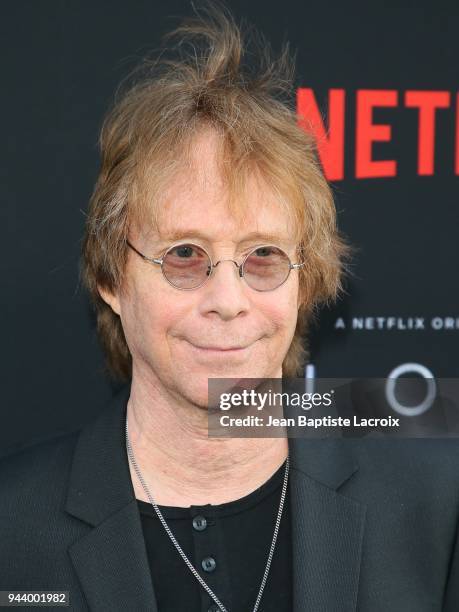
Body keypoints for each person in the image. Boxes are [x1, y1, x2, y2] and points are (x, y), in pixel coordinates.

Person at [1, 3, 458, 611]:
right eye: (185, 255)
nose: (227, 301)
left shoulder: (435, 501)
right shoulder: (12, 524)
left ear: (306, 281)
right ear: (113, 275)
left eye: (263, 257)